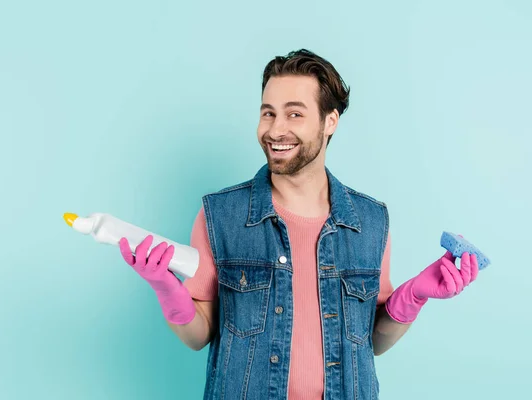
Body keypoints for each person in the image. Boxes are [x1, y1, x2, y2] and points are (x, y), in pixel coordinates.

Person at [118, 49, 479, 400]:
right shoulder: (220, 214)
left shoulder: (369, 221)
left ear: (330, 121)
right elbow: (198, 336)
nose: (276, 130)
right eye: (268, 113)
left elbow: (374, 343)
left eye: (294, 115)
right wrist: (166, 288)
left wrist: (414, 295)